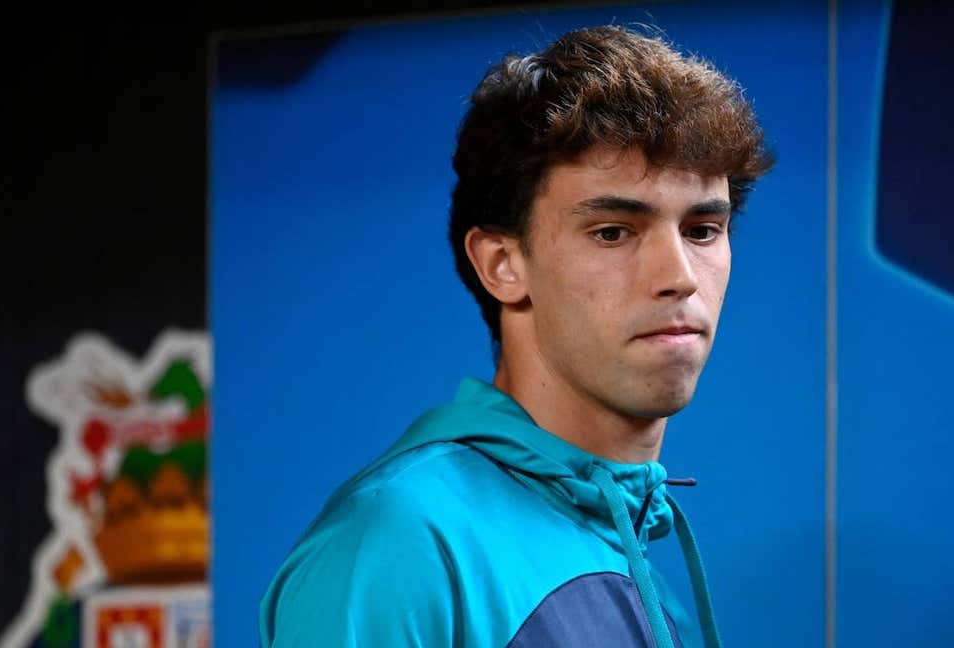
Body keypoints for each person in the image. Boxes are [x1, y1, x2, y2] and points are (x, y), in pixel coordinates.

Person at [259, 24, 772, 648]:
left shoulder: (643, 575)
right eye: (612, 231)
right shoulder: (402, 544)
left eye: (702, 230)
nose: (679, 277)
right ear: (503, 265)